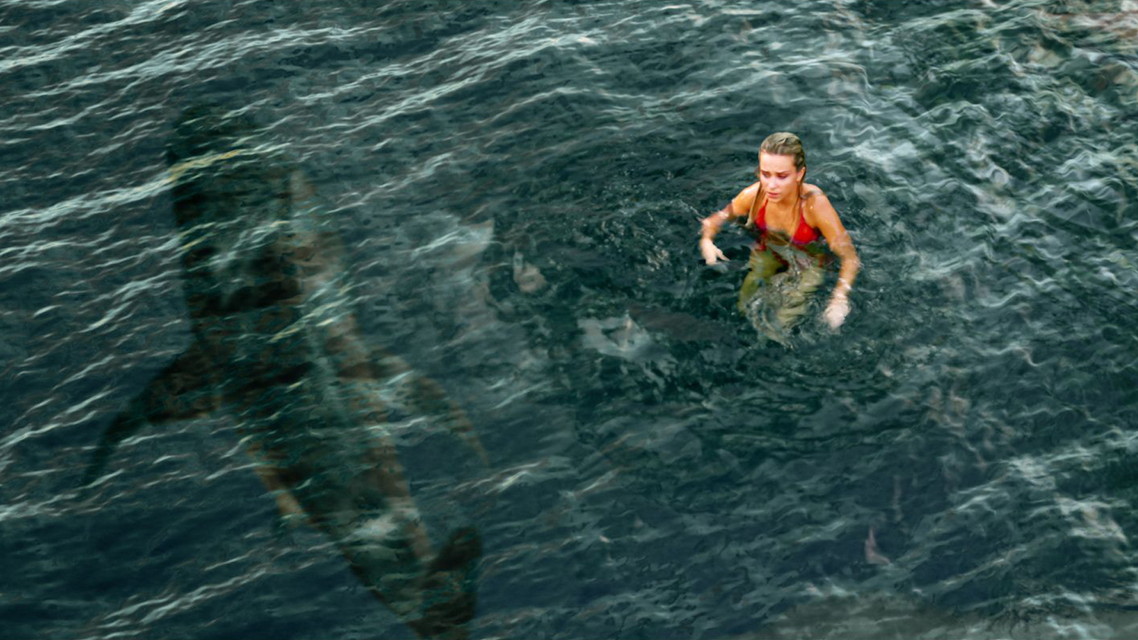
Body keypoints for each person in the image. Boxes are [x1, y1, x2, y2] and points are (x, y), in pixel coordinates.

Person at [699, 132, 860, 334]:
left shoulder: (815, 205)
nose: (771, 185)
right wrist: (707, 241)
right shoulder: (754, 195)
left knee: (779, 325)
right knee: (744, 307)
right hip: (768, 252)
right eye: (765, 174)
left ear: (799, 174)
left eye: (782, 176)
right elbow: (714, 220)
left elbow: (850, 258)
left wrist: (839, 298)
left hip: (808, 263)